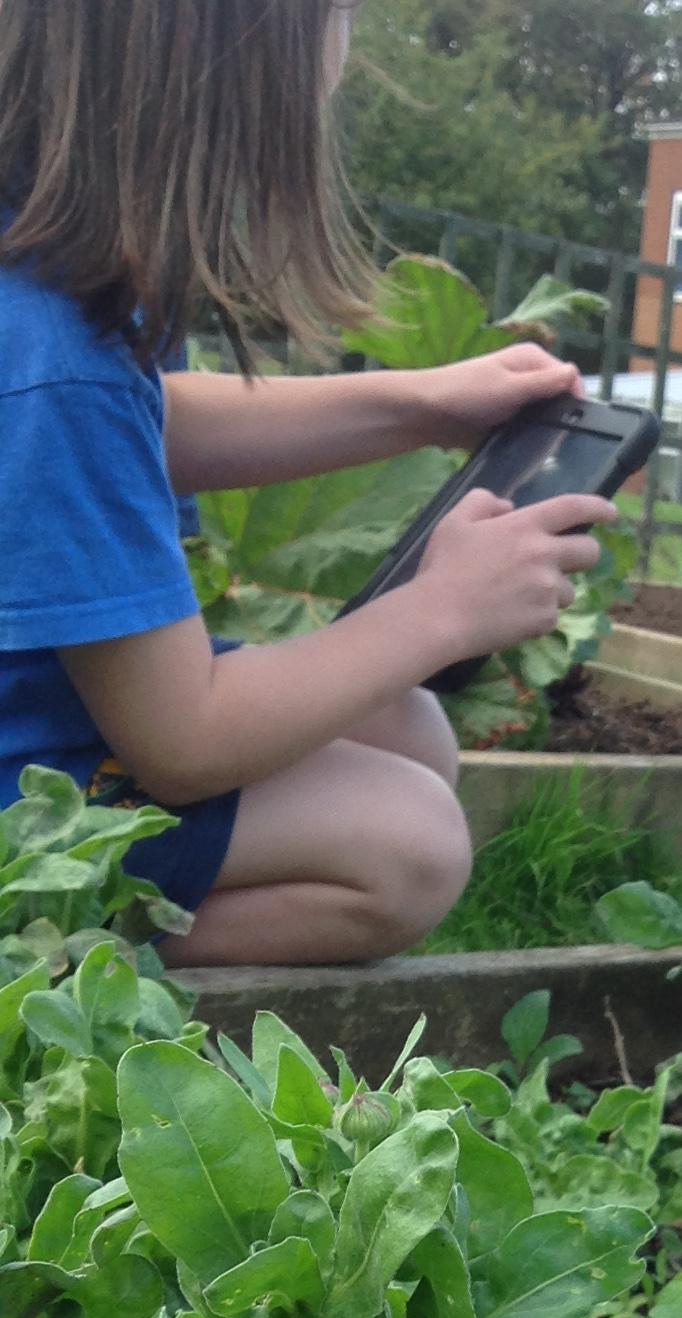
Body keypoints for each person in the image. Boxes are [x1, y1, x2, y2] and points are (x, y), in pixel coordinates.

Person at [0, 0, 616, 967]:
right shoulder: (59, 352)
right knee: (407, 847)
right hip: (21, 777)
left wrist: (418, 402)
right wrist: (443, 611)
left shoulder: (39, 274)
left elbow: (141, 422)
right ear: (239, 72)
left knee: (406, 730)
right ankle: (34, 951)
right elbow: (184, 742)